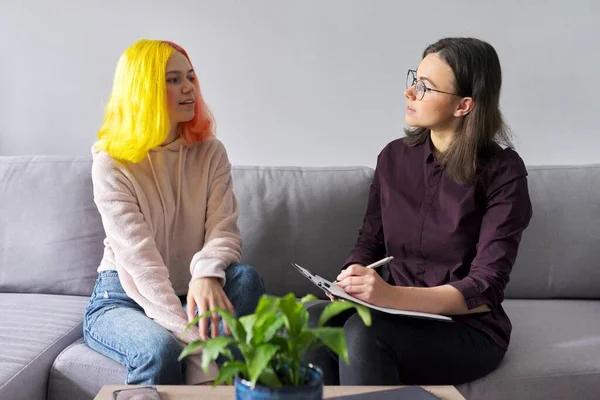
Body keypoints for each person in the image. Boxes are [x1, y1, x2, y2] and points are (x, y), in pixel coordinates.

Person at [306, 37, 533, 386]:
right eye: (414, 80)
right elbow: (371, 240)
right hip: (393, 312)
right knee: (314, 321)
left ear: (464, 105)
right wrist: (350, 276)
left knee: (364, 335)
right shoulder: (393, 158)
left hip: (465, 327)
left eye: (425, 87)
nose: (409, 93)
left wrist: (390, 295)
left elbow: (485, 287)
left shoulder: (503, 172)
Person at [83, 39, 265, 385]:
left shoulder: (211, 152)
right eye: (172, 79)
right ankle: (209, 378)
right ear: (143, 89)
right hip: (124, 295)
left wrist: (206, 276)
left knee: (246, 278)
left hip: (192, 289)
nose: (188, 88)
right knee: (159, 351)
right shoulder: (111, 163)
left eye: (191, 77)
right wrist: (196, 342)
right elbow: (141, 264)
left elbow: (223, 232)